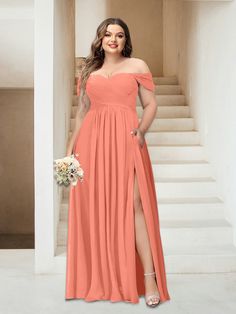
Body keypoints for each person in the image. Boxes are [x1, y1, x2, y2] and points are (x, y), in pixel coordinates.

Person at [65, 17, 171, 307]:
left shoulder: (137, 65)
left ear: (126, 40)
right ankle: (103, 276)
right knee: (97, 210)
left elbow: (150, 105)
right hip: (92, 145)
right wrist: (70, 151)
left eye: (120, 35)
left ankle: (149, 278)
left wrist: (142, 131)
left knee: (135, 207)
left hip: (127, 141)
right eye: (108, 34)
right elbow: (81, 113)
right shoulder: (89, 70)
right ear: (100, 39)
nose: (113, 39)